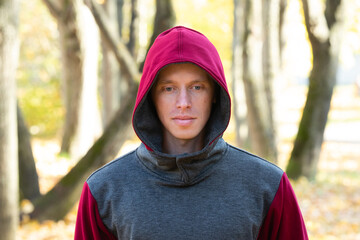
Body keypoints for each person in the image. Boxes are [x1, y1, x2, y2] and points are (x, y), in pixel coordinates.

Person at [74, 26, 308, 239]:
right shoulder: (104, 190)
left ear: (215, 94)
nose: (183, 102)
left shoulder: (267, 186)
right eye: (169, 88)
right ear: (151, 97)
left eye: (197, 87)